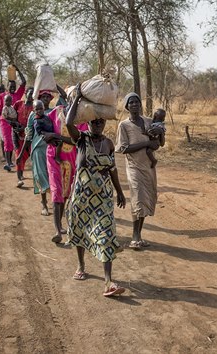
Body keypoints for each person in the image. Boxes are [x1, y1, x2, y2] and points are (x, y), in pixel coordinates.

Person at [65, 88, 127, 296]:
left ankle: (109, 282)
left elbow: (112, 170)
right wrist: (79, 98)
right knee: (80, 231)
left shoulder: (108, 143)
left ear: (105, 123)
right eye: (94, 121)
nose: (98, 124)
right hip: (81, 198)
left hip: (102, 199)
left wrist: (119, 192)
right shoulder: (81, 139)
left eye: (101, 122)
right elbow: (68, 123)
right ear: (89, 122)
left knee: (106, 235)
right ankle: (81, 266)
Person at [115, 93, 164, 250]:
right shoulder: (124, 125)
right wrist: (146, 144)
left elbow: (158, 143)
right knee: (138, 199)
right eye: (131, 102)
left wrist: (158, 136)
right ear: (127, 106)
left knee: (145, 200)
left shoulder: (149, 122)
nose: (135, 104)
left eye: (137, 102)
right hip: (134, 167)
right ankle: (135, 237)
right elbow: (123, 148)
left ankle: (139, 235)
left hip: (148, 167)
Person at [43, 89, 88, 244]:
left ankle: (61, 224)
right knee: (56, 191)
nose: (74, 100)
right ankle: (57, 230)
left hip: (71, 159)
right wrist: (46, 136)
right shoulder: (56, 112)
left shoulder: (81, 120)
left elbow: (76, 141)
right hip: (53, 157)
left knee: (65, 193)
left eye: (77, 98)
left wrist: (56, 136)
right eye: (72, 97)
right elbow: (44, 128)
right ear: (67, 98)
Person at [17, 97, 52, 216]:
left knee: (53, 175)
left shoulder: (53, 113)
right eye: (36, 109)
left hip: (51, 149)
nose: (39, 110)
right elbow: (29, 135)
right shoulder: (32, 116)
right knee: (40, 176)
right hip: (37, 149)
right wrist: (21, 155)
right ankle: (44, 203)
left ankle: (57, 202)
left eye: (48, 96)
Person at [0, 65, 26, 169]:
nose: (12, 88)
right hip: (4, 121)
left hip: (15, 122)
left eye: (14, 87)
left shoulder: (17, 95)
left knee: (14, 141)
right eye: (10, 86)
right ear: (7, 86)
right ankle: (8, 162)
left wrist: (18, 70)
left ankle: (12, 161)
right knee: (7, 140)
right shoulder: (3, 96)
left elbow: (23, 82)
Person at [12, 88, 35, 187]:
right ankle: (19, 178)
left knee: (28, 156)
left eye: (33, 94)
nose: (31, 96)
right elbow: (12, 118)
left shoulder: (35, 107)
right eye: (29, 93)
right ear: (25, 93)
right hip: (18, 136)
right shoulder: (18, 104)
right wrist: (17, 126)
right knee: (18, 156)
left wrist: (24, 128)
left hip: (31, 137)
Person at [1, 94, 18, 171]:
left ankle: (10, 161)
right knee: (7, 144)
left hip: (11, 126)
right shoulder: (5, 108)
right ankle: (7, 162)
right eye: (6, 100)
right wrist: (12, 120)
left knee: (10, 144)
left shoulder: (12, 108)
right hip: (6, 126)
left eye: (9, 100)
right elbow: (5, 117)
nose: (7, 102)